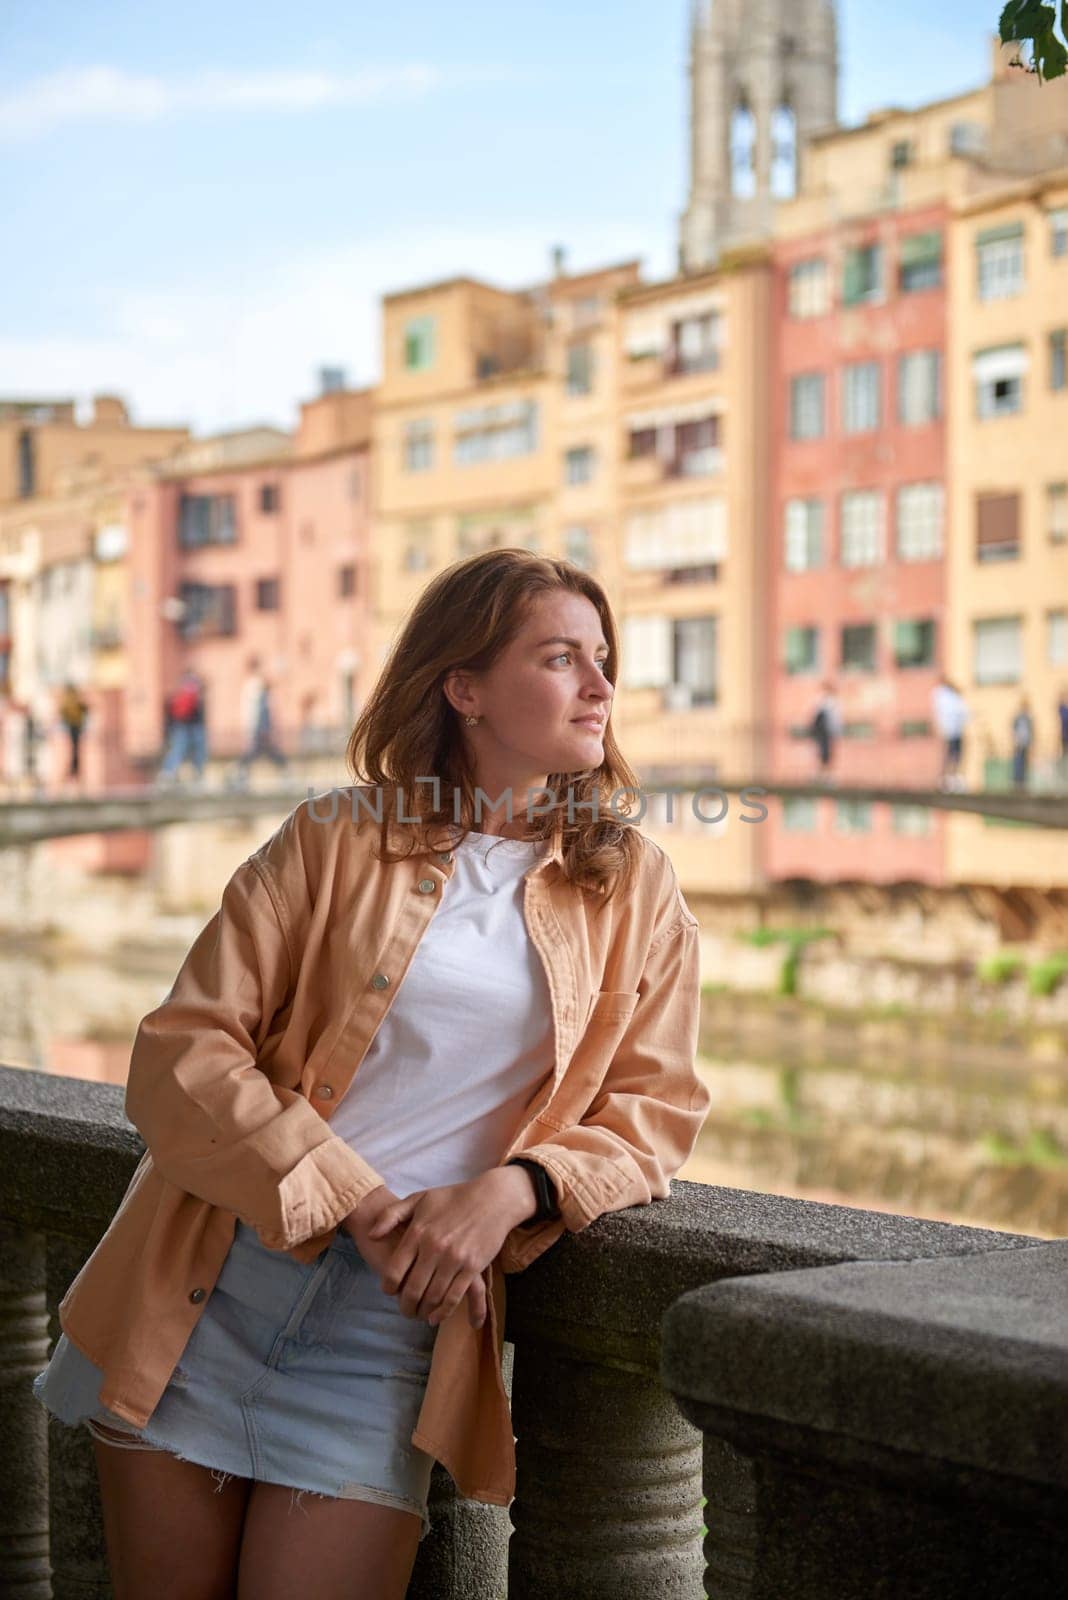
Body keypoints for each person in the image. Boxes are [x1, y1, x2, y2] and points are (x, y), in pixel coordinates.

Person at [30, 548, 711, 1599]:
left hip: (388, 1341)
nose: (601, 686)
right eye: (561, 657)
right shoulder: (331, 840)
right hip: (203, 1290)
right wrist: (347, 1196)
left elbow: (654, 1113)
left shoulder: (633, 887)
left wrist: (518, 1188)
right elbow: (183, 1050)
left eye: (603, 658)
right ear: (466, 687)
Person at [235, 656, 287, 784]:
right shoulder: (255, 687)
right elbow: (259, 712)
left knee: (261, 752)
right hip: (259, 728)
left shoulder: (251, 686)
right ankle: (240, 773)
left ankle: (240, 773)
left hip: (258, 728)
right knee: (259, 752)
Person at [159, 670, 207, 785]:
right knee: (195, 751)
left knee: (179, 750)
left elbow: (170, 715)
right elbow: (199, 713)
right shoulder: (195, 695)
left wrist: (167, 731)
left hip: (181, 726)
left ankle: (168, 772)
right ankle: (197, 774)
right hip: (191, 726)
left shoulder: (178, 696)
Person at [931, 676, 970, 790]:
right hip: (951, 730)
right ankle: (949, 779)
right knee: (953, 755)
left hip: (952, 729)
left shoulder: (944, 695)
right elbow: (958, 711)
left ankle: (950, 778)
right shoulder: (946, 695)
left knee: (952, 755)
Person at [57, 682, 89, 783]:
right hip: (73, 728)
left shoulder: (72, 704)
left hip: (75, 728)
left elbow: (84, 711)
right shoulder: (70, 704)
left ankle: (73, 772)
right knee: (73, 752)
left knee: (74, 752)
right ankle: (72, 773)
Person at [809, 680, 842, 780]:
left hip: (827, 731)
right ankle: (822, 774)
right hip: (821, 731)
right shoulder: (822, 701)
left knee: (826, 752)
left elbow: (834, 719)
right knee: (821, 752)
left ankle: (827, 775)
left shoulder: (831, 702)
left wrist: (835, 730)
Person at [1011, 696, 1034, 788]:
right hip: (1019, 742)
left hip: (1026, 742)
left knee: (1025, 762)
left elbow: (1031, 731)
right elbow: (1014, 729)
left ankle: (1023, 781)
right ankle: (1017, 780)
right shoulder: (1018, 717)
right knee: (1018, 761)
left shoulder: (1029, 718)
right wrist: (1015, 740)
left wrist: (1032, 742)